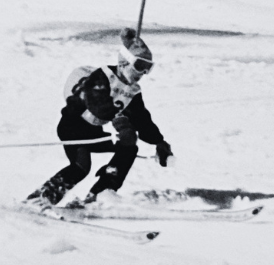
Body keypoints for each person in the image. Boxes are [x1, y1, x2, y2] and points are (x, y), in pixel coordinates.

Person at [25, 28, 173, 209]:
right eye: (140, 65)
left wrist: (159, 141)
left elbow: (141, 119)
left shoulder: (132, 91)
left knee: (129, 142)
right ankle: (40, 199)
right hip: (73, 127)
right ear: (125, 62)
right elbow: (97, 104)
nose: (143, 73)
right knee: (81, 166)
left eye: (148, 68)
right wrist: (118, 118)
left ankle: (101, 193)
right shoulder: (102, 77)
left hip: (95, 131)